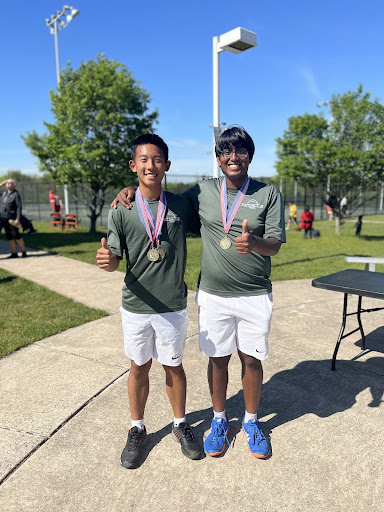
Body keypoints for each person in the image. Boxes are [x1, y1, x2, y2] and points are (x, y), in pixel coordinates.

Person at [113, 126, 286, 459]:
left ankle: (251, 421)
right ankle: (219, 420)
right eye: (225, 152)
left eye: (239, 151)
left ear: (249, 155)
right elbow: (160, 197)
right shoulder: (203, 192)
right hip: (214, 294)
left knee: (251, 359)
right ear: (218, 159)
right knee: (217, 359)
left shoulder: (268, 194)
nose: (232, 158)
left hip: (254, 294)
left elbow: (275, 246)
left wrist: (256, 244)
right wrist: (129, 190)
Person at [96, 134, 202, 469]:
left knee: (173, 365)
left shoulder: (182, 205)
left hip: (172, 305)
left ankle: (180, 424)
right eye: (143, 159)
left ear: (167, 166)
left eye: (157, 159)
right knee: (139, 366)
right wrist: (107, 260)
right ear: (133, 165)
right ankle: (137, 429)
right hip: (136, 305)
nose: (150, 165)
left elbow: (214, 204)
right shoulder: (122, 209)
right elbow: (114, 257)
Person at [0, 179, 27, 258]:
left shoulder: (15, 194)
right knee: (9, 236)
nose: (8, 184)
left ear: (13, 185)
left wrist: (17, 219)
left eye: (10, 183)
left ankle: (23, 252)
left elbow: (19, 207)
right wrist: (1, 184)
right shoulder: (4, 193)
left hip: (12, 219)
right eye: (7, 183)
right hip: (4, 218)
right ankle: (14, 253)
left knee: (17, 235)